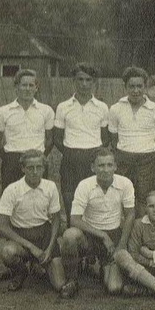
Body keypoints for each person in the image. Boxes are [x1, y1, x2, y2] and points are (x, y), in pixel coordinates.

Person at [59, 148, 135, 298]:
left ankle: (99, 267)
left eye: (109, 165)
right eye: (101, 166)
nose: (105, 170)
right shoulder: (84, 185)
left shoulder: (125, 183)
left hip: (113, 236)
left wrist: (121, 245)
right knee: (69, 235)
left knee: (114, 288)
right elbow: (74, 219)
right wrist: (102, 236)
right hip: (90, 236)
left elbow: (130, 214)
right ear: (93, 168)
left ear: (115, 166)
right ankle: (72, 280)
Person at [0, 150, 66, 292]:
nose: (35, 172)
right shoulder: (12, 189)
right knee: (7, 252)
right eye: (30, 168)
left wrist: (50, 247)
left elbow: (56, 218)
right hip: (22, 236)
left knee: (59, 285)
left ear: (43, 168)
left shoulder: (50, 187)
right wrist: (30, 247)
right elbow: (2, 225)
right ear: (23, 169)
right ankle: (21, 271)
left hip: (44, 234)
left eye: (39, 167)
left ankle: (39, 265)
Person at [54, 63, 109, 220]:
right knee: (70, 200)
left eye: (88, 80)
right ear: (74, 81)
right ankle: (73, 237)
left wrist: (93, 153)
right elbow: (58, 138)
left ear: (94, 82)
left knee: (93, 200)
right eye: (80, 80)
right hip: (70, 158)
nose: (84, 84)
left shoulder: (102, 107)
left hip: (93, 157)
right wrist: (72, 152)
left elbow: (105, 138)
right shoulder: (63, 107)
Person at [109, 66, 155, 215]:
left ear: (145, 86)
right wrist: (123, 155)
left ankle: (143, 234)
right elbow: (113, 139)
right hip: (123, 160)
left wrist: (150, 156)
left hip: (147, 162)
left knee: (145, 201)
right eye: (132, 86)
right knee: (124, 200)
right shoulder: (116, 108)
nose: (136, 91)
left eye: (139, 86)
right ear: (125, 87)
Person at [0, 69, 54, 191]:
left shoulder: (46, 110)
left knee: (39, 198)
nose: (27, 89)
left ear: (36, 88)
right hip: (12, 162)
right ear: (17, 87)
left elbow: (49, 139)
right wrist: (8, 158)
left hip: (37, 160)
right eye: (24, 85)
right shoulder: (3, 111)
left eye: (31, 85)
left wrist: (40, 156)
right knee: (12, 199)